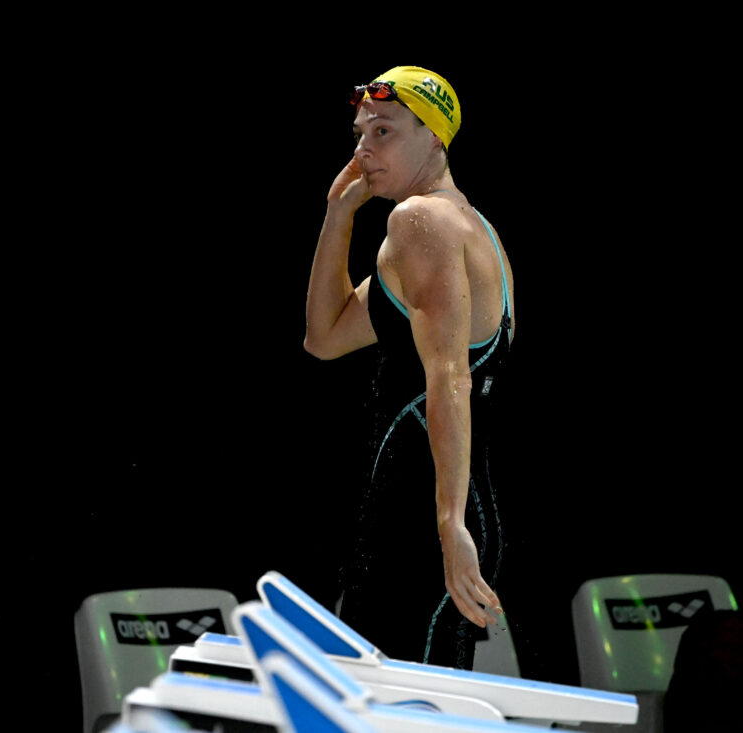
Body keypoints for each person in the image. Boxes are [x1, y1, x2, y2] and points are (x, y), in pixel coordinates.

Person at [304, 66, 515, 668]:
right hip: (445, 504)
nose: (363, 150)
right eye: (359, 134)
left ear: (435, 139)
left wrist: (448, 524)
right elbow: (325, 337)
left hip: (425, 514)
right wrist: (338, 215)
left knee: (401, 710)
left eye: (384, 132)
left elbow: (451, 378)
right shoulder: (471, 229)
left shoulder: (419, 222)